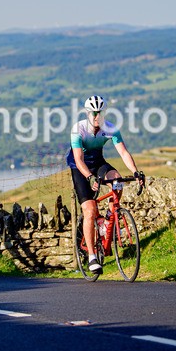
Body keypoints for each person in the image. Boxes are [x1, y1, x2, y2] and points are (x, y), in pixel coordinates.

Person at [67, 95, 144, 275]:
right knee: (90, 210)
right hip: (80, 168)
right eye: (94, 113)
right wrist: (89, 177)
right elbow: (78, 160)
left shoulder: (110, 128)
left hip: (98, 162)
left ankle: (109, 218)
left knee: (117, 180)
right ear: (88, 113)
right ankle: (92, 256)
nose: (97, 117)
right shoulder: (78, 129)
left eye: (100, 113)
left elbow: (123, 152)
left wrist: (135, 172)